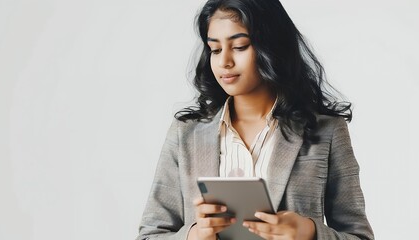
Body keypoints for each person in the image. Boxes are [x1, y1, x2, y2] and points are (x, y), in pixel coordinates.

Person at [136, 0, 374, 239]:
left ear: (272, 47)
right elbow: (149, 235)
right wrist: (193, 236)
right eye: (215, 49)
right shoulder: (185, 134)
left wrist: (309, 232)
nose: (224, 61)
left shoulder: (327, 131)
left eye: (239, 46)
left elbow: (360, 236)